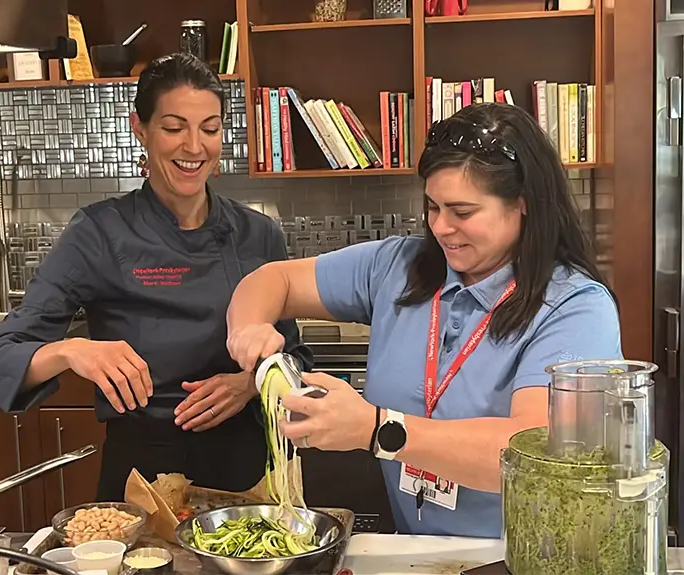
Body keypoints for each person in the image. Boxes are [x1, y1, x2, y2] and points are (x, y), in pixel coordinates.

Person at [225, 102, 622, 538]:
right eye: (432, 207)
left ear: (524, 202)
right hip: (415, 550)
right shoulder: (398, 265)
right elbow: (272, 280)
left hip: (524, 556)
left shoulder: (576, 307)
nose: (440, 227)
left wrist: (376, 429)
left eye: (463, 212)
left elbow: (532, 455)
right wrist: (248, 328)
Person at [0, 53, 312, 502]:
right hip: (141, 472)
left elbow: (296, 360)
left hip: (244, 467)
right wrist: (71, 350)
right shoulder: (98, 232)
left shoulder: (258, 235)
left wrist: (250, 385)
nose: (195, 147)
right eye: (174, 128)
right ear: (141, 128)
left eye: (210, 129)